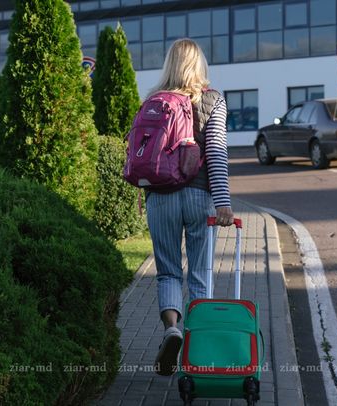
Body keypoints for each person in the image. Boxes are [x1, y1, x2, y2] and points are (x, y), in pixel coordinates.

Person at [146, 38, 234, 376]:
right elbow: (215, 152)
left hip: (160, 198)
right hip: (198, 198)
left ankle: (172, 328)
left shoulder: (153, 101)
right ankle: (197, 351)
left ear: (169, 64)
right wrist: (223, 203)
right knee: (200, 273)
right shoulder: (212, 100)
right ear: (199, 66)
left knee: (168, 271)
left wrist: (148, 197)